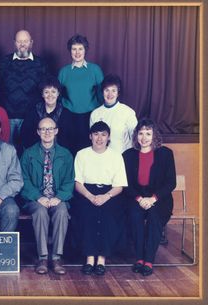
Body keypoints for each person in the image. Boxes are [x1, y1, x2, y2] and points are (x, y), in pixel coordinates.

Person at [20, 118, 74, 275]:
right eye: (43, 129)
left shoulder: (66, 154)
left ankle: (56, 258)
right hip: (35, 199)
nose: (47, 132)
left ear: (56, 131)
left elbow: (70, 180)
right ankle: (42, 257)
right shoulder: (29, 153)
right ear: (38, 132)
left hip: (58, 198)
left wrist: (60, 197)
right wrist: (38, 197)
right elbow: (24, 180)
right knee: (40, 212)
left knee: (62, 211)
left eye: (50, 129)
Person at [123, 118, 176, 276]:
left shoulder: (166, 154)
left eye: (148, 133)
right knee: (135, 215)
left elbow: (170, 182)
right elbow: (126, 184)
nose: (144, 137)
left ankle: (149, 260)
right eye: (140, 133)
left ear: (154, 136)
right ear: (136, 135)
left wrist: (153, 199)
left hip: (159, 199)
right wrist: (140, 199)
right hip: (136, 197)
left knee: (154, 216)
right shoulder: (128, 155)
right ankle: (139, 257)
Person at [73, 121, 127, 276]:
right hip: (86, 192)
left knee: (107, 215)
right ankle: (89, 258)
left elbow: (119, 185)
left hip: (110, 193)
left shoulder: (116, 156)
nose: (99, 138)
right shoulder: (82, 154)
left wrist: (106, 196)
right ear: (90, 136)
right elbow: (77, 182)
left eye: (103, 134)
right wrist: (90, 196)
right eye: (96, 134)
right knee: (86, 213)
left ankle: (102, 259)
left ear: (108, 137)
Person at [0, 29, 47, 153]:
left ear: (31, 42)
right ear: (14, 43)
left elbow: (45, 91)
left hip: (31, 117)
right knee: (8, 153)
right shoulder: (4, 62)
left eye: (25, 41)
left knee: (29, 152)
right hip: (8, 117)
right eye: (19, 41)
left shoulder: (40, 63)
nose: (22, 44)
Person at [58, 34, 104, 156]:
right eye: (74, 49)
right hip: (69, 115)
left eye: (80, 49)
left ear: (85, 50)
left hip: (90, 115)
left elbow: (102, 94)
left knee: (87, 150)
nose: (77, 52)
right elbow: (58, 95)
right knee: (69, 149)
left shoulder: (95, 70)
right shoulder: (64, 72)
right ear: (70, 51)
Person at [90, 74, 137, 154]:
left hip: (123, 157)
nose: (110, 94)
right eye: (107, 90)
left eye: (113, 90)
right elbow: (94, 139)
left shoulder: (128, 112)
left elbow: (135, 138)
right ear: (102, 92)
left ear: (118, 93)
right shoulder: (95, 114)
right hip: (102, 157)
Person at [20, 77, 66, 149]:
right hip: (37, 152)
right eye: (46, 92)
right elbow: (25, 136)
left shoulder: (66, 114)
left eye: (53, 92)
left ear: (58, 93)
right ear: (42, 94)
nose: (50, 95)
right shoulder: (33, 112)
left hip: (60, 154)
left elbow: (69, 139)